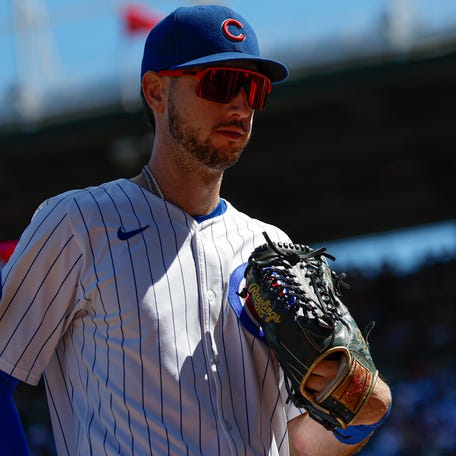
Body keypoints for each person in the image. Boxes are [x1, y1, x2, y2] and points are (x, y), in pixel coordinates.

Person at [0, 5, 391, 455]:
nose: (240, 104)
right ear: (155, 91)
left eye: (253, 89)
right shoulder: (79, 224)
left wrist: (359, 421)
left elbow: (296, 443)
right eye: (221, 83)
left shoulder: (273, 249)